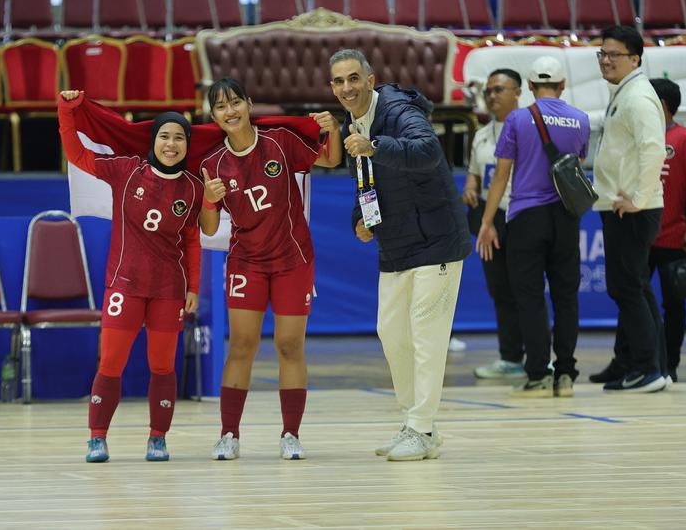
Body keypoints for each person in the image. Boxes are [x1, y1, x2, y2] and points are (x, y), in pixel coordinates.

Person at [331, 48, 471, 462]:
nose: (346, 88)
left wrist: (373, 144)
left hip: (436, 239)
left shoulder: (397, 108)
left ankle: (421, 426)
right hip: (396, 243)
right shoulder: (351, 123)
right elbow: (364, 178)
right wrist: (362, 217)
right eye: (338, 81)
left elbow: (428, 150)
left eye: (353, 78)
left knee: (426, 336)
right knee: (391, 333)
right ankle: (416, 422)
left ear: (370, 80)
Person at [198, 77, 341, 461]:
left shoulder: (278, 140)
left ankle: (290, 434)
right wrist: (209, 202)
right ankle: (229, 434)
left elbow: (331, 158)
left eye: (235, 103)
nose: (230, 112)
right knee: (242, 345)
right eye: (221, 107)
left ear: (249, 103)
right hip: (247, 261)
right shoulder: (211, 164)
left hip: (293, 260)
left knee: (289, 346)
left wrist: (333, 129)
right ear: (212, 116)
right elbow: (208, 229)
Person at [57, 89, 203, 463]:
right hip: (124, 285)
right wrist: (66, 110)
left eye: (180, 137)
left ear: (187, 144)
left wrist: (194, 287)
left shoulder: (193, 188)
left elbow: (191, 241)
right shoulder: (126, 170)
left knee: (163, 366)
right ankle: (97, 437)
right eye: (165, 136)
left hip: (169, 290)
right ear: (154, 140)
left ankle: (158, 438)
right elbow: (76, 154)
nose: (171, 144)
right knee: (110, 364)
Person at [476, 57, 590, 398]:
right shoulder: (581, 119)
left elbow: (501, 175)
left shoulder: (518, 119)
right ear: (563, 85)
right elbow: (576, 165)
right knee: (566, 296)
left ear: (528, 85)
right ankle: (566, 374)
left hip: (526, 216)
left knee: (529, 297)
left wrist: (486, 221)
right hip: (567, 217)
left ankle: (539, 375)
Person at [588, 25, 669, 393]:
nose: (605, 60)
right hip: (623, 205)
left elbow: (654, 148)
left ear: (635, 59)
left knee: (627, 288)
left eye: (613, 55)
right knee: (634, 286)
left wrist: (637, 198)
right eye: (602, 54)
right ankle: (649, 365)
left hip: (632, 209)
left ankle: (647, 368)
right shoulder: (624, 92)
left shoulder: (637, 97)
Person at [464, 68, 526, 380]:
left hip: (522, 215)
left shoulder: (528, 127)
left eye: (499, 89)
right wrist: (471, 186)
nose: (491, 96)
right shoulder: (482, 134)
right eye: (488, 91)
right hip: (491, 218)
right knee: (500, 288)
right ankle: (510, 357)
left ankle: (539, 358)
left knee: (524, 289)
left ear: (518, 92)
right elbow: (476, 171)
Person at [648, 77, 686, 382]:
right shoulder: (640, 136)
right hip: (640, 235)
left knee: (673, 304)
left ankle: (669, 364)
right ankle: (630, 361)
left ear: (663, 105)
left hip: (673, 236)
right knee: (632, 299)